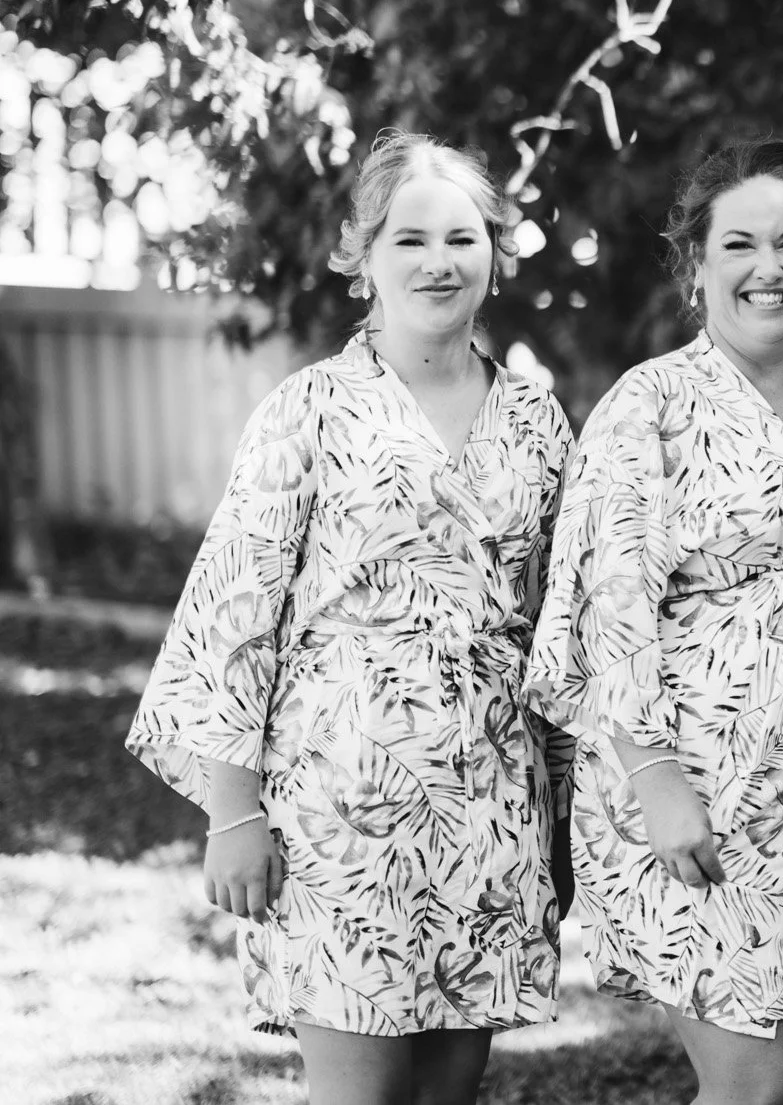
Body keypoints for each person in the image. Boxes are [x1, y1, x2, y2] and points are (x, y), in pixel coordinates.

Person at [126, 131, 574, 1105]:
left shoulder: (539, 422)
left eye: (461, 238)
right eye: (410, 238)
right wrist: (233, 811)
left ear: (496, 256)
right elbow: (235, 617)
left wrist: (561, 825)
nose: (438, 261)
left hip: (490, 799)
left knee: (450, 1093)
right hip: (339, 804)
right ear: (363, 257)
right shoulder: (310, 409)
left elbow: (556, 627)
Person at [523, 138, 783, 1105]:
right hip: (695, 793)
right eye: (740, 244)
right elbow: (606, 603)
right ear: (696, 264)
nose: (768, 267)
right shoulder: (649, 402)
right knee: (757, 1086)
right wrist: (654, 778)